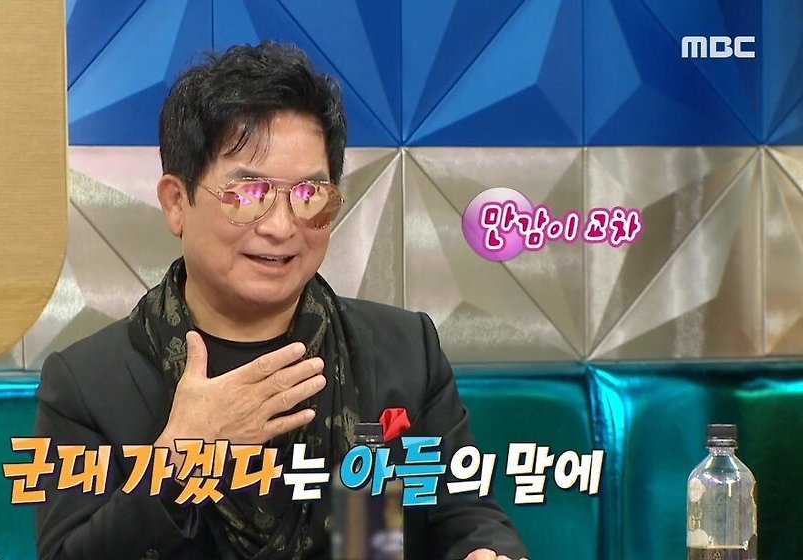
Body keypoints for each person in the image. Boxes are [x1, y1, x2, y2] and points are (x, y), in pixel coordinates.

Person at [35, 41, 530, 560]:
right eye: (249, 194)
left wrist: (488, 551)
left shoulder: (404, 352)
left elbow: (469, 518)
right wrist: (177, 462)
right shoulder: (88, 383)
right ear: (177, 203)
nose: (280, 226)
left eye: (309, 195)